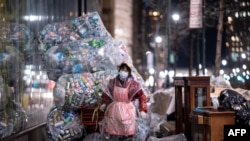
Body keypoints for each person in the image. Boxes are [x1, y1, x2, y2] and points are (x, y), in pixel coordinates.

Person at [100, 62, 148, 141]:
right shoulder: (112, 82)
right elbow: (106, 93)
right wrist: (104, 103)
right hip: (114, 111)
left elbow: (142, 97)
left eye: (126, 71)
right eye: (122, 70)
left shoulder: (134, 85)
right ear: (119, 70)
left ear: (129, 72)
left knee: (127, 134)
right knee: (114, 134)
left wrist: (142, 110)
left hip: (128, 112)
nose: (123, 72)